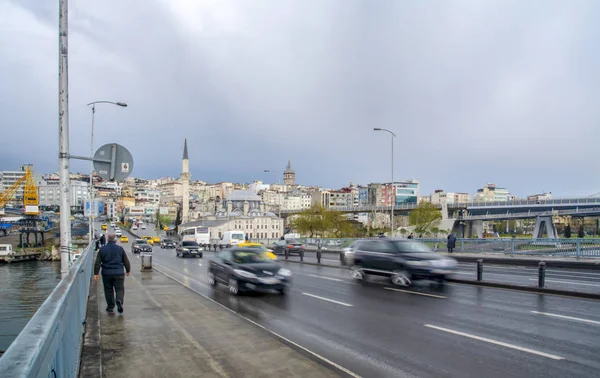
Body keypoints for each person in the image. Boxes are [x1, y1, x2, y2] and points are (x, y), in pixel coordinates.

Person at [94, 234, 131, 314]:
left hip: (106, 273)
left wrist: (96, 273)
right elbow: (126, 261)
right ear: (115, 241)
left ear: (107, 240)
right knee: (120, 289)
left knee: (108, 290)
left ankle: (110, 306)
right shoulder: (120, 249)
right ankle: (119, 301)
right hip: (119, 273)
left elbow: (97, 262)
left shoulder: (102, 249)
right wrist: (128, 270)